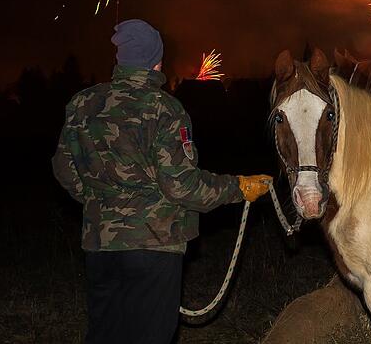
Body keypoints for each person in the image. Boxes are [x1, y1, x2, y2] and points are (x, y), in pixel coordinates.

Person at [51, 19, 271, 344]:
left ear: (121, 57)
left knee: (105, 334)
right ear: (157, 60)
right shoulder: (165, 109)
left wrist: (103, 202)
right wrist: (237, 188)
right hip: (154, 246)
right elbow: (181, 185)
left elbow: (63, 169)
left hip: (101, 244)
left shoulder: (82, 104)